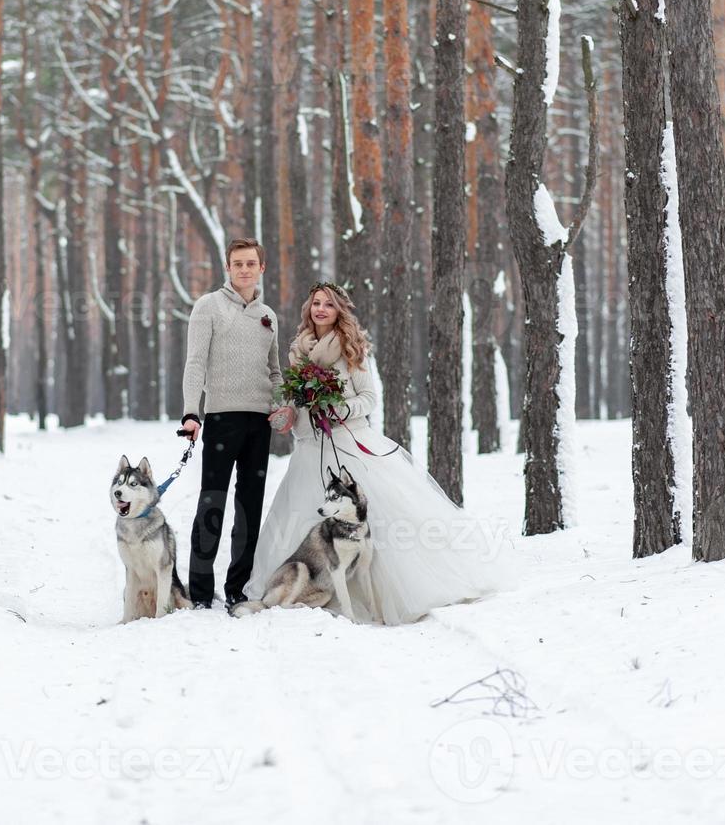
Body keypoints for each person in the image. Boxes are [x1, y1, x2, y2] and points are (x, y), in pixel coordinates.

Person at [244, 282, 503, 624]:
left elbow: (368, 399)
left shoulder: (352, 350)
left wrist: (337, 409)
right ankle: (306, 589)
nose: (320, 309)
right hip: (309, 450)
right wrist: (289, 414)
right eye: (316, 303)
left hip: (349, 446)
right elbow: (297, 400)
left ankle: (376, 595)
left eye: (329, 305)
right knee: (302, 521)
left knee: (376, 525)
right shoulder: (298, 351)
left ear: (339, 312)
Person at [179, 238, 293, 610]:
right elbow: (195, 363)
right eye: (237, 263)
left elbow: (275, 372)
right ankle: (199, 590)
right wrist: (191, 412)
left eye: (250, 263)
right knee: (212, 503)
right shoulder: (208, 306)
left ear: (262, 268)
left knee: (250, 506)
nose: (244, 269)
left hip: (258, 424)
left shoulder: (269, 316)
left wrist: (281, 405)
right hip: (221, 419)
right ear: (228, 268)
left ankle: (238, 586)